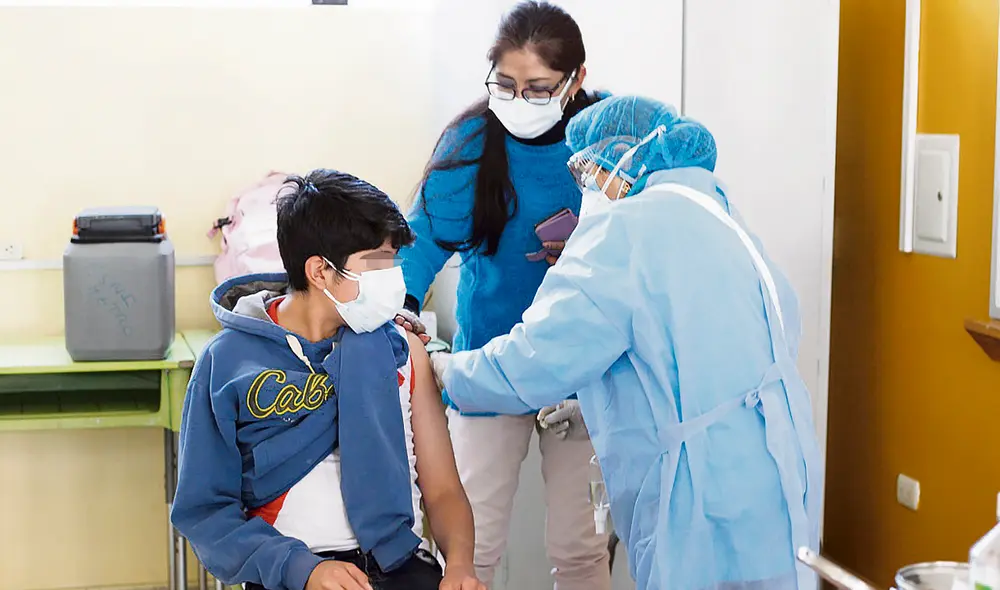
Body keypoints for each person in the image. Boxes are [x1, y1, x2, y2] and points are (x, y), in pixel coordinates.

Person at [436, 96, 824, 590]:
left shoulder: (623, 230)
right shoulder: (719, 213)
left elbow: (534, 360)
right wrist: (603, 399)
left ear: (624, 158)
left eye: (590, 173)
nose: (589, 189)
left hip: (702, 491)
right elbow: (732, 340)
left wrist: (450, 370)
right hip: (777, 465)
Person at [170, 169, 486, 590]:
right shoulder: (226, 364)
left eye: (393, 262)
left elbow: (443, 489)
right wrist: (304, 570)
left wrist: (461, 566)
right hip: (290, 574)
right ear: (320, 271)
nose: (393, 278)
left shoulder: (402, 350)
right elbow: (206, 513)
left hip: (400, 567)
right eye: (377, 265)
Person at [395, 2, 613, 588]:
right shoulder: (471, 142)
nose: (519, 100)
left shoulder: (613, 140)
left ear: (576, 81)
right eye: (506, 84)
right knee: (470, 545)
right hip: (489, 364)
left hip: (585, 374)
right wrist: (400, 310)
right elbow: (420, 242)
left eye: (539, 89)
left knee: (582, 549)